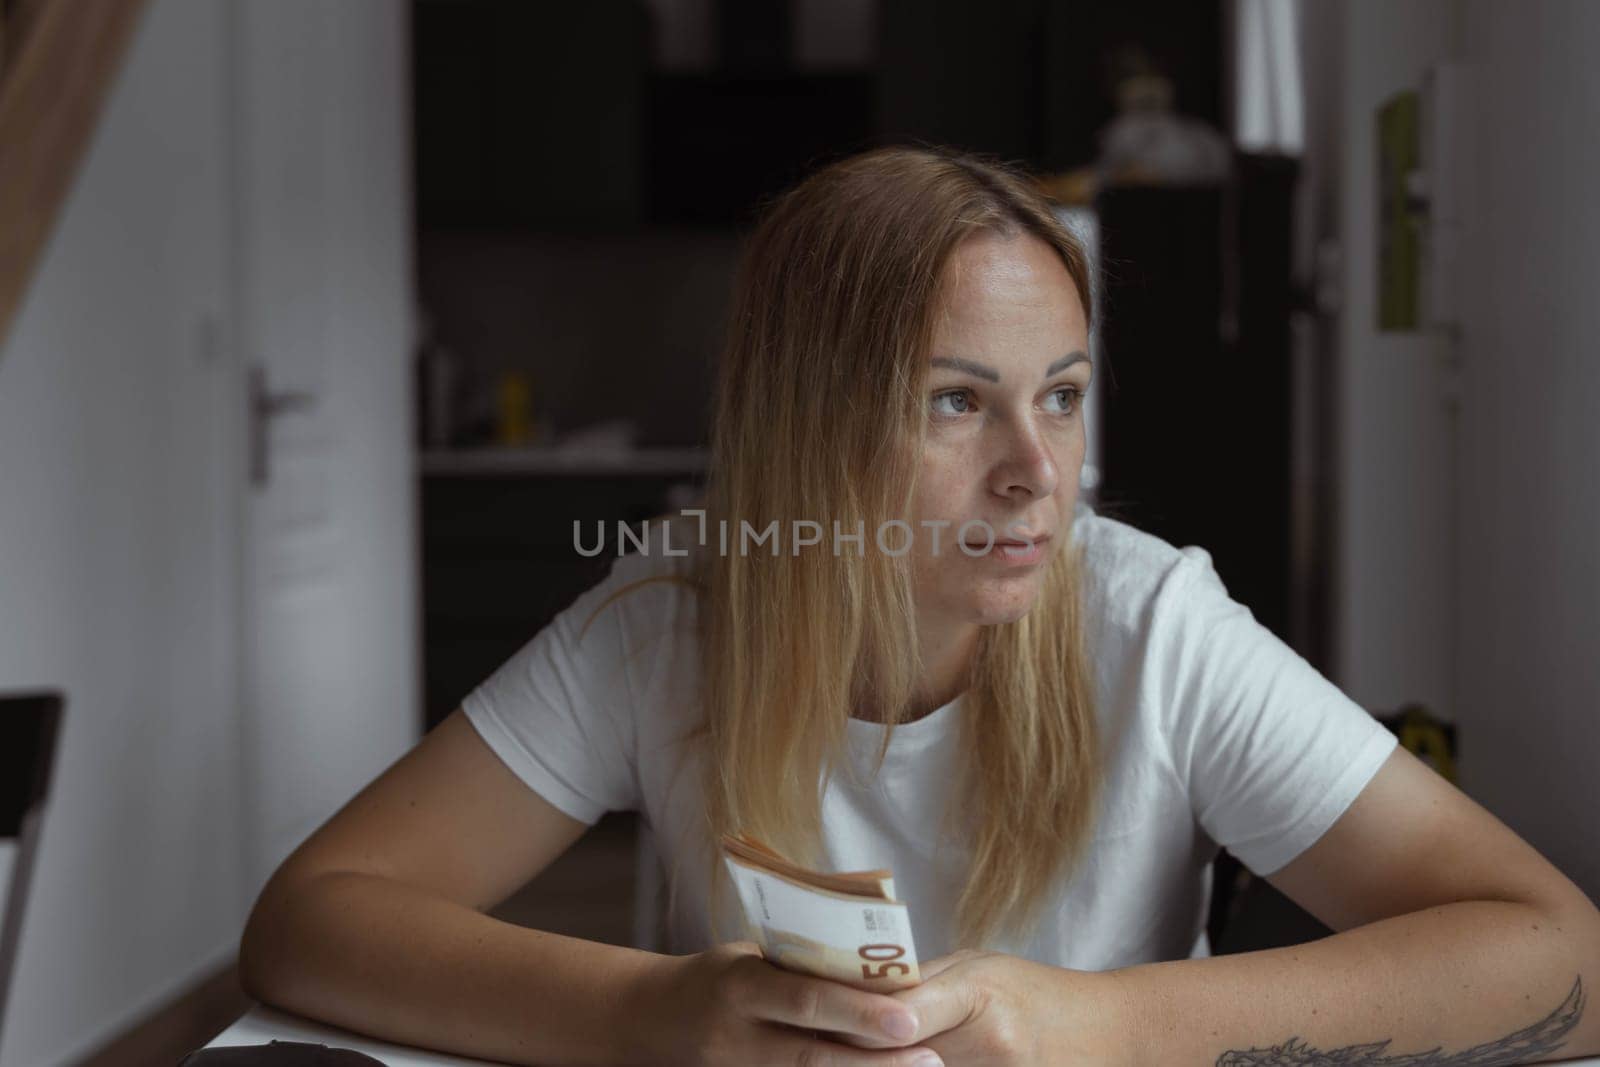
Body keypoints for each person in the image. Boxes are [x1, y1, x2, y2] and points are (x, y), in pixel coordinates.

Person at [238, 146, 1600, 1066]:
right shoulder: (669, 622)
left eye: (1061, 396)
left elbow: (1562, 955)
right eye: (959, 402)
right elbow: (312, 919)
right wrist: (657, 1010)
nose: (1037, 471)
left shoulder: (1159, 628)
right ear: (810, 426)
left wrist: (1094, 1029)